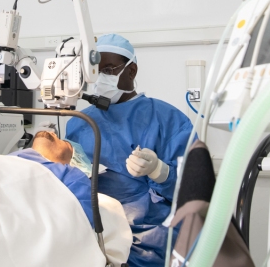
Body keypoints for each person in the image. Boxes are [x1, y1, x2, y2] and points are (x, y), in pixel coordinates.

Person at [65, 34, 192, 267]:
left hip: (150, 243)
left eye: (110, 70)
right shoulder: (79, 122)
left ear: (131, 71)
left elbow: (194, 189)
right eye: (96, 71)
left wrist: (160, 171)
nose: (101, 79)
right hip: (93, 237)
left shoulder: (167, 119)